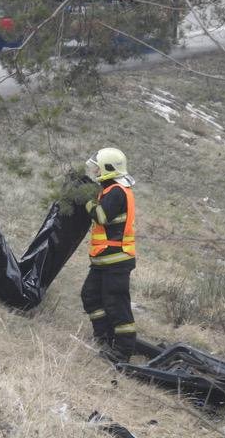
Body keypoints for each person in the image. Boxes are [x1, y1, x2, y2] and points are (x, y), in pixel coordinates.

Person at [82, 147, 136, 363]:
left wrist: (86, 198)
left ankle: (123, 352)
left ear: (108, 169)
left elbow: (101, 216)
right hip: (104, 260)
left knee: (116, 305)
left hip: (116, 261)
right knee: (91, 295)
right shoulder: (110, 189)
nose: (94, 170)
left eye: (97, 167)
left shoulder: (116, 191)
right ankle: (104, 338)